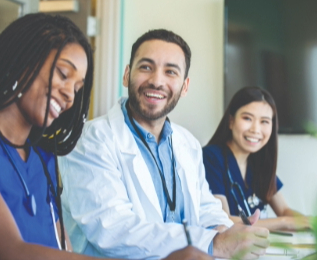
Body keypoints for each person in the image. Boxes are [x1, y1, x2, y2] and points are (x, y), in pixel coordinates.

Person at [0, 13, 210, 260]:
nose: (69, 94)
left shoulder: (41, 158)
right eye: (64, 74)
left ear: (185, 86)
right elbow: (8, 251)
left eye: (78, 88)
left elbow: (62, 249)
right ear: (22, 59)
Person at [58, 29, 270, 260]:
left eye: (170, 72)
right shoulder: (91, 139)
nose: (157, 81)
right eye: (146, 67)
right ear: (127, 75)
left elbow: (204, 207)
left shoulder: (187, 143)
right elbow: (112, 230)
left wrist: (224, 231)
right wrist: (213, 243)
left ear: (185, 86)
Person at [203, 86, 311, 231]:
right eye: (247, 118)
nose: (255, 129)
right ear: (231, 121)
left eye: (264, 121)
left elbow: (284, 211)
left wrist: (311, 223)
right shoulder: (210, 158)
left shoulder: (259, 162)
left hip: (259, 247)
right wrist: (285, 222)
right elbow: (223, 219)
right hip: (229, 251)